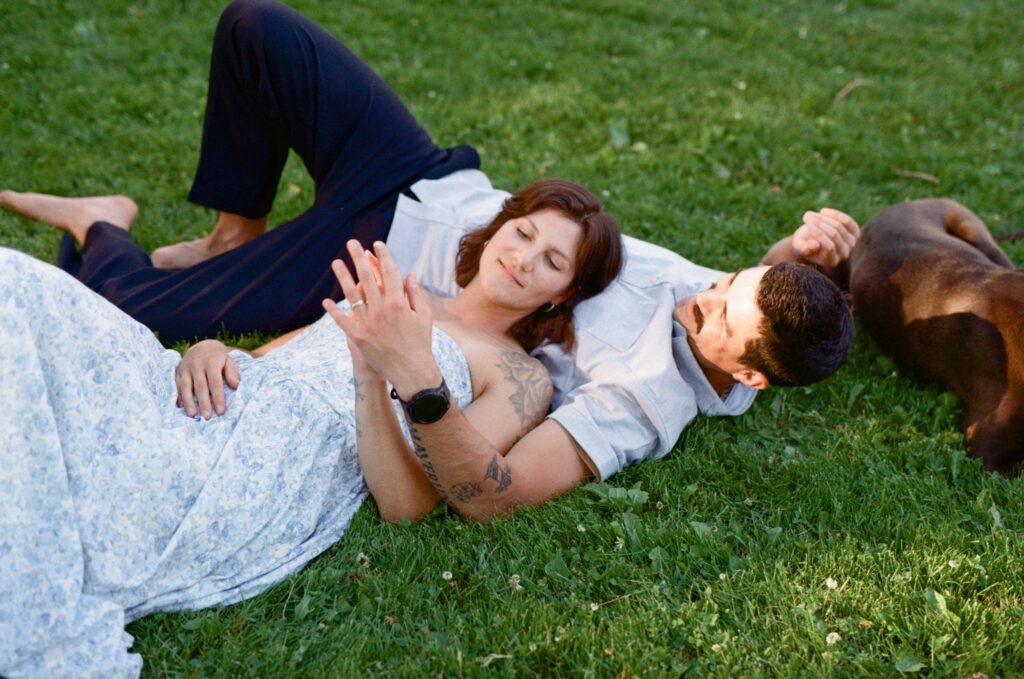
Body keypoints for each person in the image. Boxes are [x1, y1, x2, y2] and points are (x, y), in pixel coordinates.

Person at [1, 1, 858, 518]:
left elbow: (495, 489)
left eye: (715, 315)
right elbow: (756, 292)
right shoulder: (723, 291)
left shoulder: (643, 405)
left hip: (374, 265)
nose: (697, 295)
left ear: (750, 379)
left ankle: (102, 223)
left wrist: (411, 377)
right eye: (725, 280)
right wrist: (794, 251)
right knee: (258, 27)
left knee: (133, 307)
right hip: (429, 181)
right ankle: (236, 232)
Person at [0, 173, 622, 676]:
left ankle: (100, 224)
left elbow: (407, 503)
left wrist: (374, 370)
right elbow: (266, 359)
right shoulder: (394, 289)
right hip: (216, 402)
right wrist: (207, 350)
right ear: (496, 230)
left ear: (560, 296)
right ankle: (100, 223)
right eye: (523, 233)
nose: (523, 260)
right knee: (16, 284)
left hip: (268, 465)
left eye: (552, 262)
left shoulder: (520, 376)